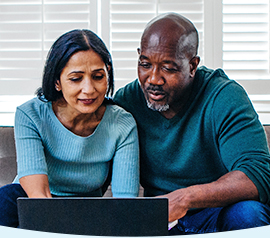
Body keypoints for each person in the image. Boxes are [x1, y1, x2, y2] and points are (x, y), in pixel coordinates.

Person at [113, 13, 270, 235]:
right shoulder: (127, 100)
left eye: (168, 68)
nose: (154, 79)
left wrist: (184, 198)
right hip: (158, 222)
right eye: (145, 64)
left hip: (216, 215)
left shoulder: (224, 97)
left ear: (193, 65)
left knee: (249, 214)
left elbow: (257, 175)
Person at [0, 29, 139, 227]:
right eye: (76, 79)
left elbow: (125, 203)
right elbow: (38, 195)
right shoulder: (30, 114)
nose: (89, 89)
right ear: (57, 81)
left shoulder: (122, 124)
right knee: (6, 198)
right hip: (34, 205)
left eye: (98, 76)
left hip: (86, 209)